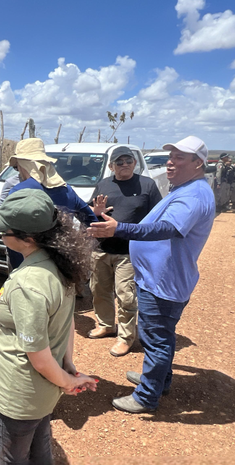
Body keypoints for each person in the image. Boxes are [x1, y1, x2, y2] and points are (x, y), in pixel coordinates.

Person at [0, 189, 97, 465]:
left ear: (26, 237)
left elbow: (38, 355)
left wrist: (66, 380)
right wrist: (69, 370)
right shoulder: (57, 263)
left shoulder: (28, 283)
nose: (0, 234)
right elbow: (65, 325)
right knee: (39, 458)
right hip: (41, 395)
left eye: (5, 229)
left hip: (20, 396)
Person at [87, 136, 215, 413]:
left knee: (156, 339)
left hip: (164, 281)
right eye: (171, 156)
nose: (170, 162)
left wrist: (119, 229)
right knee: (161, 336)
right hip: (158, 278)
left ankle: (146, 396)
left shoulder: (193, 195)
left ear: (198, 163)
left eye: (179, 157)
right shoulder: (186, 188)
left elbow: (167, 228)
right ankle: (158, 380)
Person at [88, 146, 162, 358]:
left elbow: (157, 217)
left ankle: (125, 337)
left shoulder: (147, 185)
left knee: (126, 296)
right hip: (101, 249)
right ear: (111, 166)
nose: (125, 164)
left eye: (128, 160)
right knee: (99, 290)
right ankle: (105, 325)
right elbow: (90, 212)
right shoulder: (103, 184)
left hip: (129, 251)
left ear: (135, 163)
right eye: (119, 162)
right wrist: (96, 212)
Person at [4, 138, 98, 269]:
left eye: (16, 167)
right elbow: (92, 222)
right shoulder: (67, 190)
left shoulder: (19, 191)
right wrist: (78, 247)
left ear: (23, 165)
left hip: (28, 265)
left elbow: (10, 232)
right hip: (61, 263)